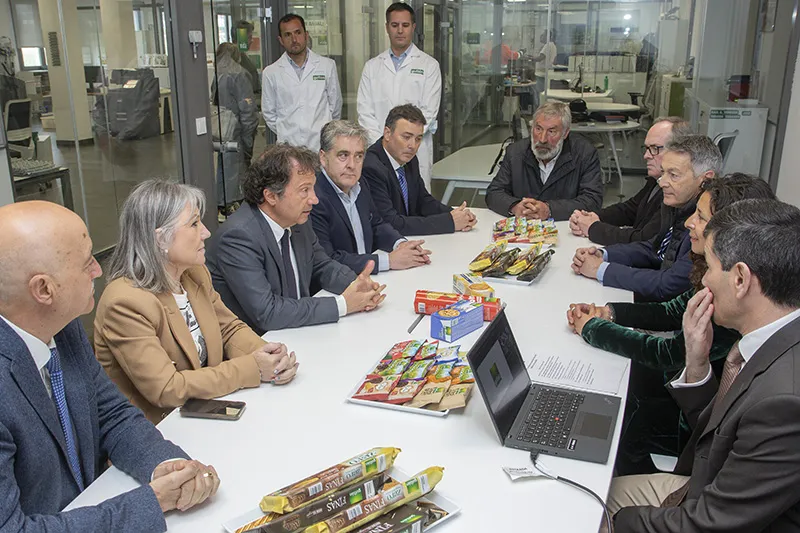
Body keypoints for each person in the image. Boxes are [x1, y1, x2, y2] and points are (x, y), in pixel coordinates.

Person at [0, 201, 219, 531]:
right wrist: (152, 502)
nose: (98, 271)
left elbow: (111, 414)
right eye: (87, 262)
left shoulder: (62, 325)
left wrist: (165, 464)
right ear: (44, 289)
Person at [606, 198, 800, 532]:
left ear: (740, 279)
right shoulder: (769, 338)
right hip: (705, 489)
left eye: (708, 267)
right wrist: (697, 362)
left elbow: (709, 525)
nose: (703, 281)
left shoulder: (785, 402)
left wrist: (610, 522)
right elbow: (723, 433)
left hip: (706, 509)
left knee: (582, 504)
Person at [566, 174, 775, 475]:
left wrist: (593, 329)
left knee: (617, 408)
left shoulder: (732, 294)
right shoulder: (719, 268)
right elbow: (672, 311)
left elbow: (667, 355)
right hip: (691, 394)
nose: (689, 222)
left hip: (690, 418)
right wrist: (608, 312)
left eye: (701, 217)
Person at [94, 180, 298, 424]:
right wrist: (254, 368)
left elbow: (229, 329)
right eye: (194, 224)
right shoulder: (125, 303)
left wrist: (271, 357)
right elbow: (167, 388)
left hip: (203, 414)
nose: (206, 232)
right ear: (160, 239)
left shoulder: (193, 274)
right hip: (163, 430)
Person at [206, 144, 386, 334]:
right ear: (271, 196)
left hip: (299, 332)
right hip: (262, 346)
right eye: (304, 190)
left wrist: (357, 286)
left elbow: (322, 265)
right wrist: (342, 304)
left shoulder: (297, 220)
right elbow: (267, 313)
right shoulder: (238, 237)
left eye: (313, 189)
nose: (314, 199)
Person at [571, 134, 721, 302]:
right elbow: (654, 249)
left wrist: (601, 269)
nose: (662, 182)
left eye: (674, 175)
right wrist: (603, 254)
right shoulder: (678, 204)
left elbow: (669, 284)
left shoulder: (709, 224)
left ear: (706, 179)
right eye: (663, 172)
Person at [311, 120, 432, 275]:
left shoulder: (360, 183)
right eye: (343, 155)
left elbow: (376, 224)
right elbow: (328, 260)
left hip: (371, 279)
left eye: (358, 156)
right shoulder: (313, 198)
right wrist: (389, 261)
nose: (352, 165)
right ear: (323, 157)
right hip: (337, 289)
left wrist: (400, 244)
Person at [569, 117, 692, 245]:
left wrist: (593, 228)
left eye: (655, 148)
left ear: (679, 152)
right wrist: (594, 217)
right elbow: (630, 210)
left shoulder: (676, 193)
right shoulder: (655, 181)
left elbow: (643, 239)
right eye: (646, 148)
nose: (646, 156)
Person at [357, 2, 441, 189]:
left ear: (413, 27)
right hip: (379, 150)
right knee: (382, 204)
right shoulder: (372, 66)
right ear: (387, 27)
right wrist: (385, 144)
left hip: (414, 150)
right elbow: (364, 111)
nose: (400, 30)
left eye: (405, 25)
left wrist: (401, 141)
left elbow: (428, 112)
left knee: (415, 203)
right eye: (395, 25)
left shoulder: (429, 66)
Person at [362, 104, 476, 236]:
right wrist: (449, 222)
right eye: (406, 137)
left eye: (418, 139)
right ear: (387, 133)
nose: (412, 145)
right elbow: (391, 222)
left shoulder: (409, 159)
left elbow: (423, 201)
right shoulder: (371, 168)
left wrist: (457, 214)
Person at [486, 101, 603, 221]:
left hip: (565, 230)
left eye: (551, 131)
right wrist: (515, 206)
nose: (542, 139)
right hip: (523, 231)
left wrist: (549, 210)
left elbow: (592, 200)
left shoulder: (584, 154)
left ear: (565, 133)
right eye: (538, 129)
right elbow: (494, 193)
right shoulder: (515, 152)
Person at [262, 13, 342, 152]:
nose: (294, 39)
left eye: (298, 32)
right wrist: (288, 132)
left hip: (320, 146)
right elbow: (269, 114)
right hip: (288, 147)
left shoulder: (327, 66)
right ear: (280, 40)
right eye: (287, 35)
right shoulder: (271, 72)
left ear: (306, 35)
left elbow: (335, 107)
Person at [212, 43, 258, 215]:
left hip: (221, 129)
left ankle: (221, 202)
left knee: (224, 167)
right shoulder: (239, 74)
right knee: (236, 168)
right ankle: (233, 205)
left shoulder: (218, 73)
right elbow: (247, 110)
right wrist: (248, 139)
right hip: (236, 130)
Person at [231, 20, 261, 96]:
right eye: (249, 37)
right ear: (242, 38)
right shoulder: (241, 63)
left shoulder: (226, 59)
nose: (252, 40)